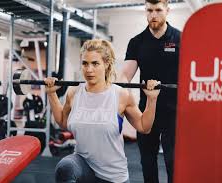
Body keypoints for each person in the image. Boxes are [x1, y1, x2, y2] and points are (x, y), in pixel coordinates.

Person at [44, 39, 161, 183]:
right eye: (85, 63)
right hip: (83, 166)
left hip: (113, 176)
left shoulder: (121, 95)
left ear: (106, 64)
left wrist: (152, 100)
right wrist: (51, 94)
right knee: (65, 168)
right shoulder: (74, 93)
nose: (89, 69)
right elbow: (63, 122)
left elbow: (144, 127)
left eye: (95, 63)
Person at [119, 0, 181, 183]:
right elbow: (125, 75)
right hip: (146, 111)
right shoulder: (137, 42)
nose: (154, 14)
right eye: (150, 10)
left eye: (158, 10)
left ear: (167, 10)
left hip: (174, 112)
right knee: (147, 162)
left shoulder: (180, 38)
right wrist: (114, 90)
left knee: (173, 162)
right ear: (145, 11)